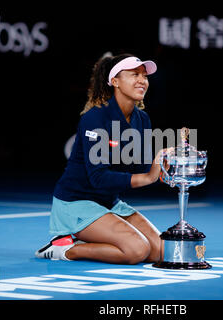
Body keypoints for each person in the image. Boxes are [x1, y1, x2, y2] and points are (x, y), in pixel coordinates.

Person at [35, 53, 170, 264]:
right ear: (115, 81)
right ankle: (67, 248)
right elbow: (99, 178)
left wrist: (161, 162)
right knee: (137, 250)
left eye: (144, 76)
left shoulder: (142, 119)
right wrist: (147, 178)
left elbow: (141, 168)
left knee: (160, 251)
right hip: (76, 203)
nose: (142, 80)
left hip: (109, 202)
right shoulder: (96, 118)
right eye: (134, 74)